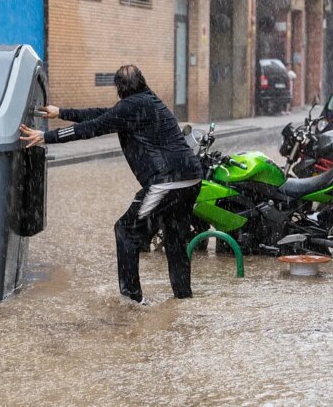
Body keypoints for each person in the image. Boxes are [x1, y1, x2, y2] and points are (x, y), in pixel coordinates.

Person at [19, 65, 203, 304]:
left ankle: (132, 301)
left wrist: (46, 137)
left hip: (167, 181)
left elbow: (92, 128)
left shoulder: (131, 106)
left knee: (126, 230)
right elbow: (103, 114)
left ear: (118, 88)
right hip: (192, 178)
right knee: (175, 240)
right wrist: (61, 112)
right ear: (142, 81)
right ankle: (183, 299)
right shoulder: (148, 100)